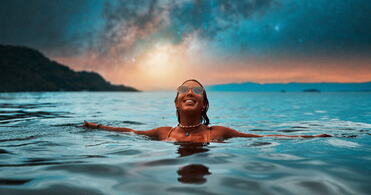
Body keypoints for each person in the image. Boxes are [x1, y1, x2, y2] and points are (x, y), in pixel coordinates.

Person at [83, 79, 331, 142]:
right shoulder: (163, 133)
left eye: (197, 91)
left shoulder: (218, 133)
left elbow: (262, 138)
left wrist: (310, 137)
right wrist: (99, 127)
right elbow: (131, 132)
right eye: (183, 90)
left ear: (204, 105)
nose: (190, 92)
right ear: (177, 102)